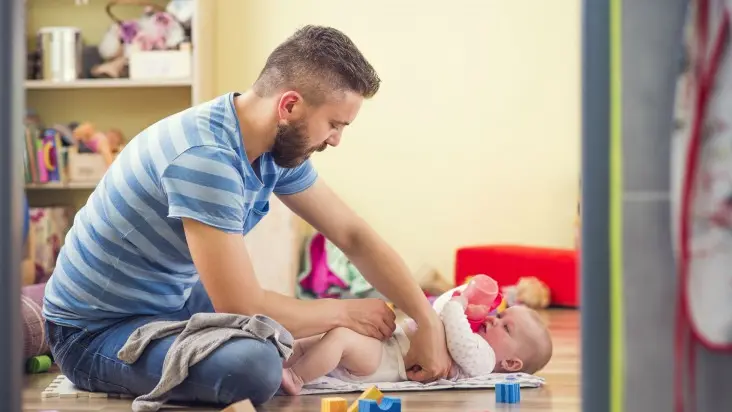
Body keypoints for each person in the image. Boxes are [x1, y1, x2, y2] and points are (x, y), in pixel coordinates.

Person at [41, 25, 452, 406]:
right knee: (255, 365)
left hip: (170, 300)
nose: (336, 140)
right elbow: (240, 303)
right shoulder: (206, 158)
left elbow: (353, 235)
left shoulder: (272, 148)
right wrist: (344, 311)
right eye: (333, 124)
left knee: (274, 328)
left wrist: (426, 318)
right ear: (289, 105)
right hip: (92, 334)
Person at [280, 295, 553, 395]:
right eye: (500, 315)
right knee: (322, 339)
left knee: (340, 338)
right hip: (389, 347)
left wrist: (459, 304)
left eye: (505, 327)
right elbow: (433, 315)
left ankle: (295, 376)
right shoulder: (474, 340)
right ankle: (283, 361)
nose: (494, 319)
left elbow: (456, 336)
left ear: (511, 364)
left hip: (387, 363)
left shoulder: (481, 359)